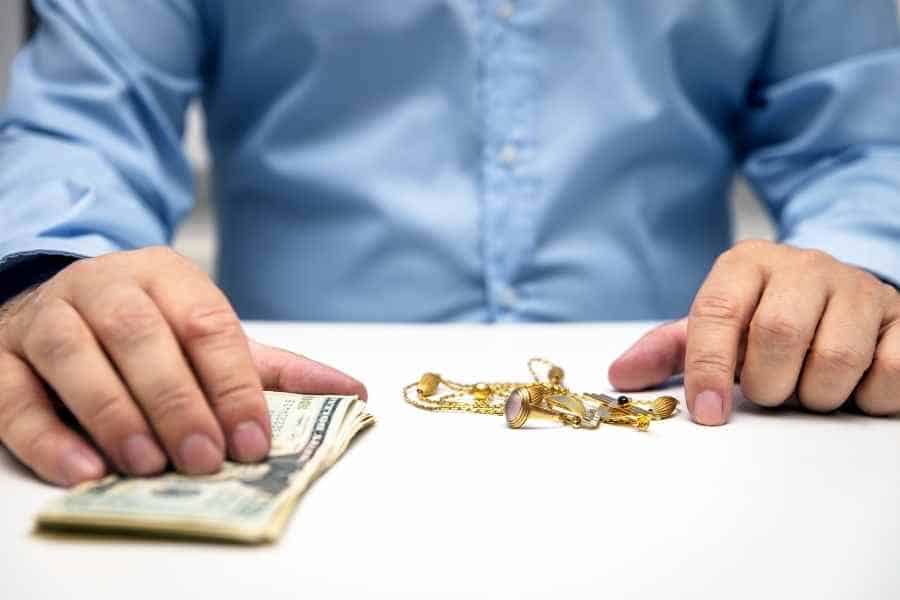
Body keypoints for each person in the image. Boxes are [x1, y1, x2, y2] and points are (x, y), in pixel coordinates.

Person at [1, 1, 899, 487]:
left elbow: (862, 135)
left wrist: (856, 271)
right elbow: (83, 116)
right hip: (283, 427)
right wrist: (48, 273)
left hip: (707, 443)